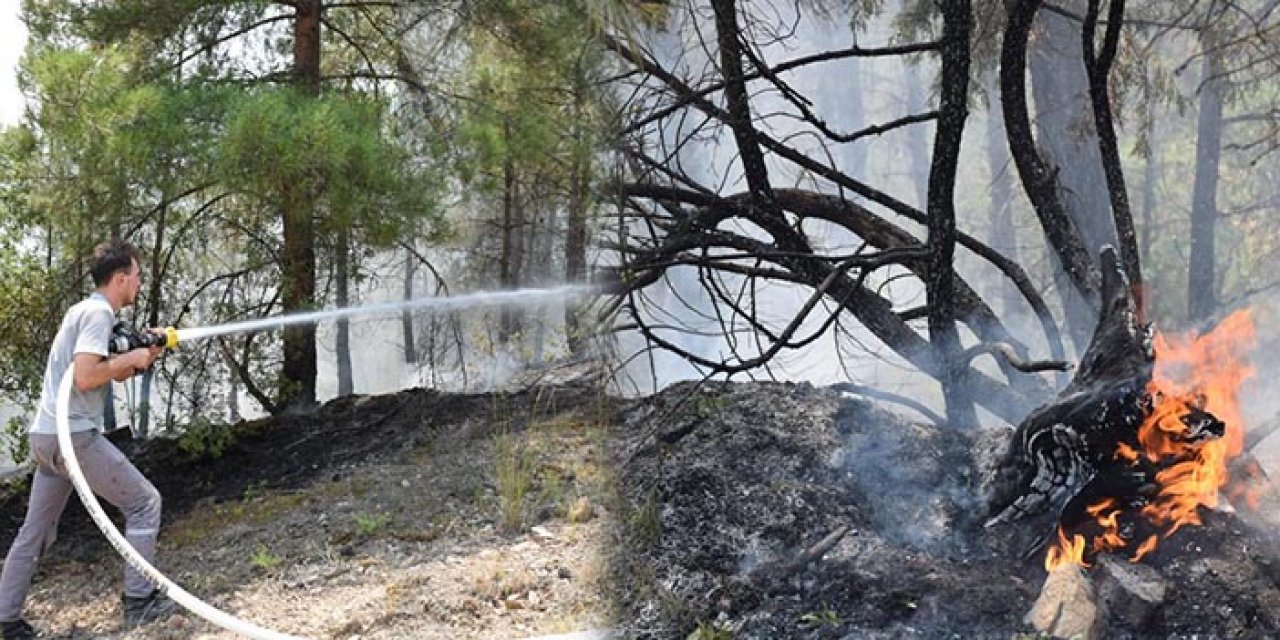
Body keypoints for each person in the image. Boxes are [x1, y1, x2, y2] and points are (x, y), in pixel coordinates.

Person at [0, 239, 178, 639]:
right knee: (144, 503)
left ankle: (6, 619)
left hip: (47, 436)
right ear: (120, 278)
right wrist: (130, 359)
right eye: (136, 275)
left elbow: (103, 368)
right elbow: (85, 377)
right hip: (73, 437)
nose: (139, 282)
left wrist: (138, 356)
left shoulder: (86, 311)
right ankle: (139, 601)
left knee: (35, 530)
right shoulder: (98, 313)